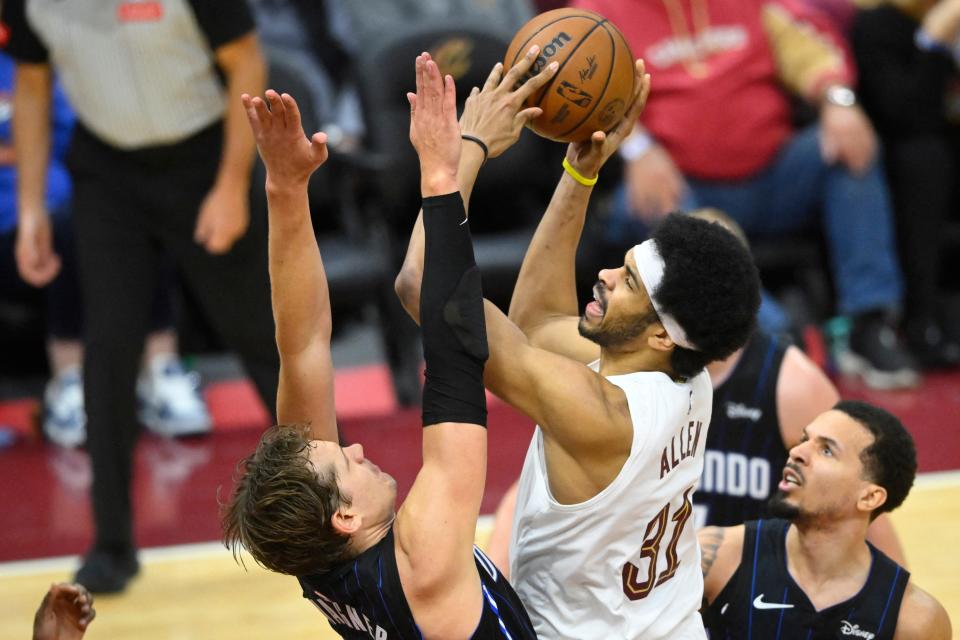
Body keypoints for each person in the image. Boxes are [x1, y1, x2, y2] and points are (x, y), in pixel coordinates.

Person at [396, 60, 760, 639]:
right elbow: (538, 323)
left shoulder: (597, 411)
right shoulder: (684, 376)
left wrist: (465, 150)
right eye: (627, 261)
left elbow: (422, 285)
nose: (608, 274)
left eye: (630, 283)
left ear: (661, 334)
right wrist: (579, 175)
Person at [222, 49, 558, 639]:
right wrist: (443, 170)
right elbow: (455, 359)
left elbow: (301, 342)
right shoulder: (421, 560)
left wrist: (286, 187)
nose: (351, 449)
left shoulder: (315, 554)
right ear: (345, 517)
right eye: (342, 461)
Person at [1, 0, 279, 593]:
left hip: (206, 153)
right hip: (107, 172)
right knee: (108, 351)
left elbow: (248, 64)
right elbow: (30, 83)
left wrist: (231, 184)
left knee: (261, 336)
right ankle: (111, 544)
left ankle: (332, 511)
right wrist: (30, 210)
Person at [572, 0, 918, 390]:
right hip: (677, 184)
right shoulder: (599, 11)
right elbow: (583, 91)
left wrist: (838, 100)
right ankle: (769, 338)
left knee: (849, 147)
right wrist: (636, 147)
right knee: (669, 210)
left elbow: (809, 46)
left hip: (773, 177)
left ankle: (868, 324)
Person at [0, 55, 211, 448]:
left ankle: (159, 374)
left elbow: (75, 141)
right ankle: (70, 382)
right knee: (68, 230)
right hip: (10, 229)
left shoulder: (36, 59)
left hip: (61, 213)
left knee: (136, 208)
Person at [698, 401, 952, 638]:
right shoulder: (717, 558)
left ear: (870, 497)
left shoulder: (914, 621)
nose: (797, 452)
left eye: (827, 450)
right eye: (804, 439)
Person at [852, 0, 960, 368]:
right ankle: (921, 320)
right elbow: (907, 117)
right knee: (924, 158)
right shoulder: (877, 26)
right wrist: (933, 42)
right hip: (899, 164)